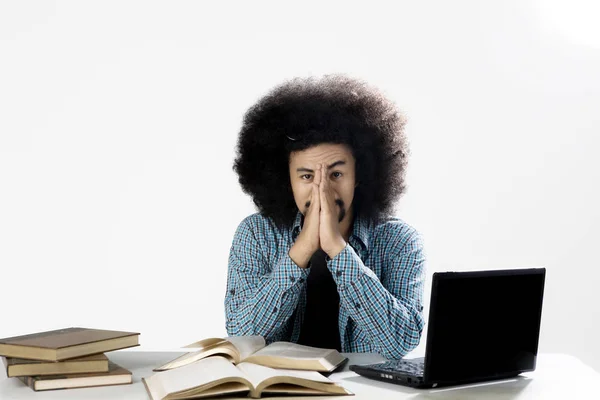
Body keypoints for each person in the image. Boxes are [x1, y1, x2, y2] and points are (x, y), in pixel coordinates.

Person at [224, 74, 425, 359]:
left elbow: (399, 343)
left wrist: (338, 249)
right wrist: (302, 249)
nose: (323, 189)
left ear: (360, 175)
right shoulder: (255, 234)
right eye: (307, 176)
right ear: (286, 180)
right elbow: (241, 335)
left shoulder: (399, 241)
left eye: (336, 174)